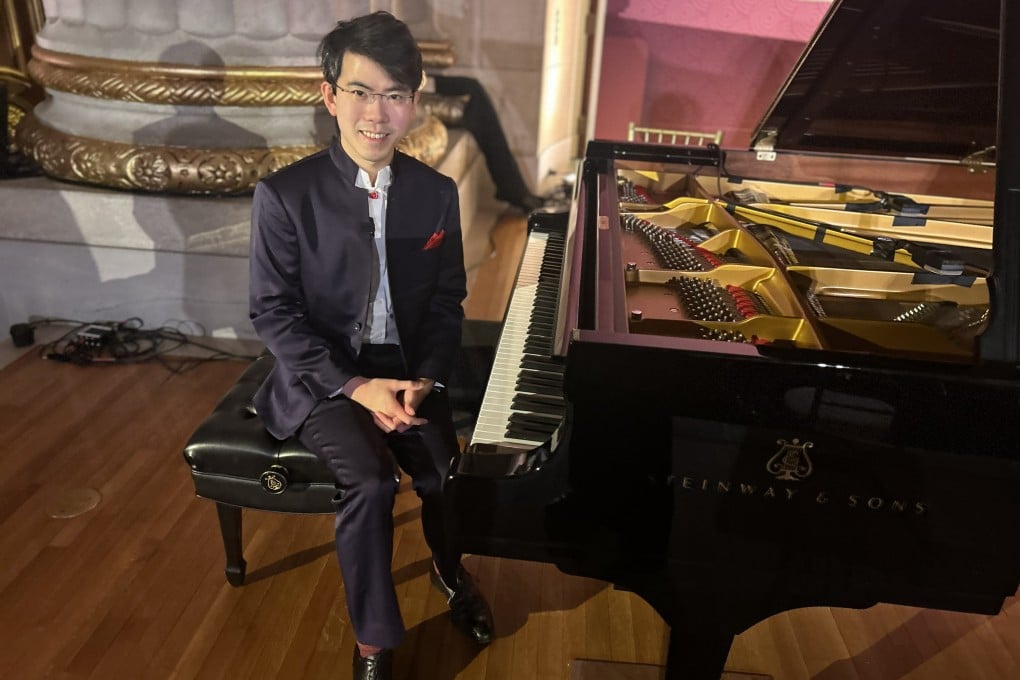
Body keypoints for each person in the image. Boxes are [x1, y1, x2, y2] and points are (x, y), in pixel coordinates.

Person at [247, 12, 493, 680]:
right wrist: (358, 388)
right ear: (329, 97)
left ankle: (451, 573)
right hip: (324, 375)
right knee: (371, 480)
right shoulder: (284, 196)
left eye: (393, 94)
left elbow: (447, 303)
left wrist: (426, 379)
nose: (375, 113)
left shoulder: (437, 194)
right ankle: (374, 639)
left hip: (408, 367)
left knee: (446, 472)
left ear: (414, 101)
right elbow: (271, 313)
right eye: (359, 91)